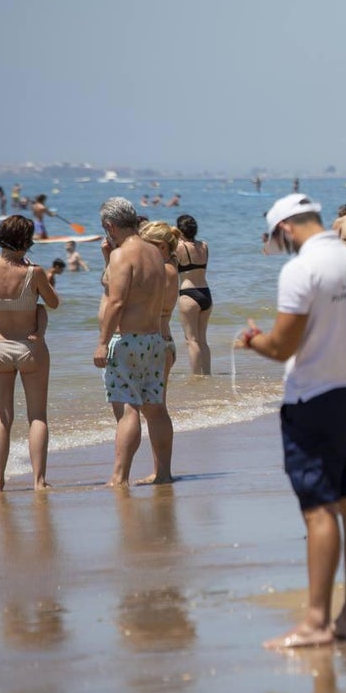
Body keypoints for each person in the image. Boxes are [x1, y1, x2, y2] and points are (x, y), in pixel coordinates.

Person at [238, 193, 346, 649]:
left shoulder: (300, 269)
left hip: (314, 399)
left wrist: (253, 341)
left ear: (284, 229)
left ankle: (316, 622)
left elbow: (282, 347)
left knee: (319, 511)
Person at [0, 216, 60, 492]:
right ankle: (38, 481)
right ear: (27, 242)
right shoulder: (33, 272)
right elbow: (53, 303)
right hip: (31, 348)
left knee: (1, 417)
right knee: (37, 416)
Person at [96, 198, 173, 487]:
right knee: (156, 408)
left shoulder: (121, 255)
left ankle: (119, 477)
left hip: (128, 341)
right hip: (155, 340)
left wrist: (102, 342)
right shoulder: (154, 252)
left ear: (110, 226)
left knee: (128, 410)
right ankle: (163, 472)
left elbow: (116, 301)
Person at [139, 221, 183, 414]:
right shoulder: (169, 266)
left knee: (154, 411)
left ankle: (161, 446)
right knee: (155, 409)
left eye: (147, 246)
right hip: (163, 340)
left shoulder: (163, 270)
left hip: (157, 341)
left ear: (162, 247)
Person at [174, 214, 212, 375]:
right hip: (205, 293)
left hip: (188, 293)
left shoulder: (179, 247)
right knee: (202, 339)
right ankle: (207, 374)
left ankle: (196, 378)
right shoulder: (204, 245)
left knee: (191, 340)